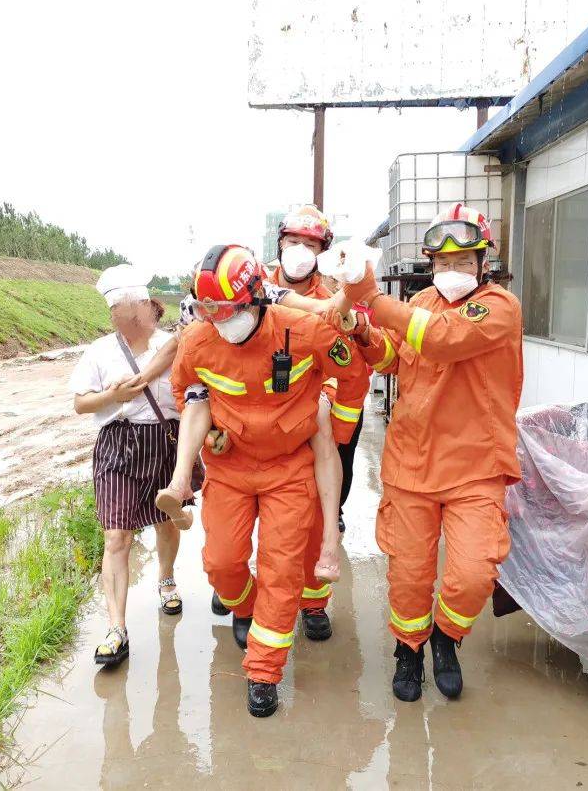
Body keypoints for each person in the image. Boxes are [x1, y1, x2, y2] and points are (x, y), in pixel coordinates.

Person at [170, 244, 368, 717]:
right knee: (221, 564)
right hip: (231, 469)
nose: (219, 322)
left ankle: (263, 670)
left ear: (258, 297)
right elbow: (186, 390)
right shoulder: (199, 340)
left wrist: (335, 436)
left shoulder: (304, 331)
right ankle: (246, 608)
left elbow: (354, 375)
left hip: (288, 469)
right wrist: (212, 432)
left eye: (228, 311)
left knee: (282, 569)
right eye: (209, 311)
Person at [340, 203, 523, 702]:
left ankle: (447, 637)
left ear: (484, 264)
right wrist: (362, 332)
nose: (452, 272)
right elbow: (391, 358)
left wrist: (373, 300)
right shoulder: (419, 302)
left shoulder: (499, 307)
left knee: (473, 573)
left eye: (463, 262)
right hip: (412, 462)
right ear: (429, 266)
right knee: (409, 571)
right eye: (442, 264)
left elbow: (443, 340)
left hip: (476, 465)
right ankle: (409, 650)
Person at [70, 264, 193, 668]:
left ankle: (166, 578)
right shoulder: (100, 350)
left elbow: (193, 398)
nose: (116, 318)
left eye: (121, 309)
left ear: (142, 308)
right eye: (113, 312)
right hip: (117, 446)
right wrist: (112, 395)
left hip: (164, 441)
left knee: (165, 522)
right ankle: (117, 629)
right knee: (115, 537)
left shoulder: (173, 344)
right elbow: (80, 403)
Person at [271, 205, 365, 537]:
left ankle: (332, 510)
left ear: (322, 253)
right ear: (279, 244)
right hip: (262, 400)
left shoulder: (334, 305)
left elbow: (348, 371)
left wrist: (334, 433)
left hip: (316, 398)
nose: (298, 250)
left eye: (309, 245)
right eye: (292, 241)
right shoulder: (253, 290)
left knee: (337, 452)